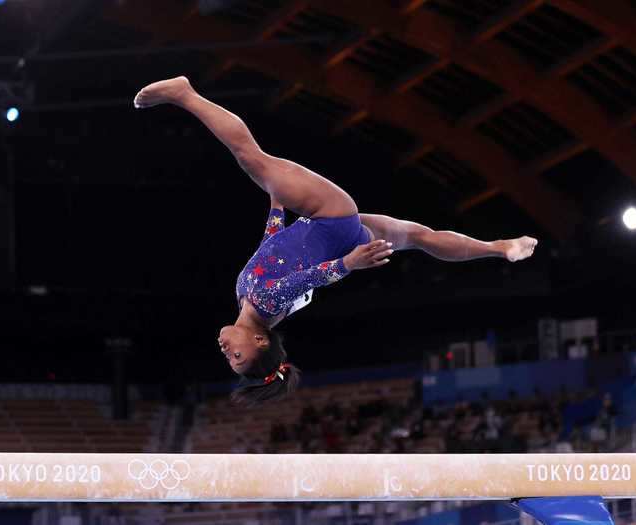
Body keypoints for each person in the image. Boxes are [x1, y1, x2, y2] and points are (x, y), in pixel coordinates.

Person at [134, 76, 538, 406]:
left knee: (419, 237)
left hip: (336, 232)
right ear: (260, 341)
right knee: (250, 158)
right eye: (239, 356)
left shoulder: (245, 296)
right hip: (330, 219)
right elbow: (308, 277)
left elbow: (270, 250)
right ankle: (185, 94)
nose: (227, 352)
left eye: (230, 360)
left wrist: (276, 206)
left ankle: (497, 247)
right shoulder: (266, 305)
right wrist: (351, 264)